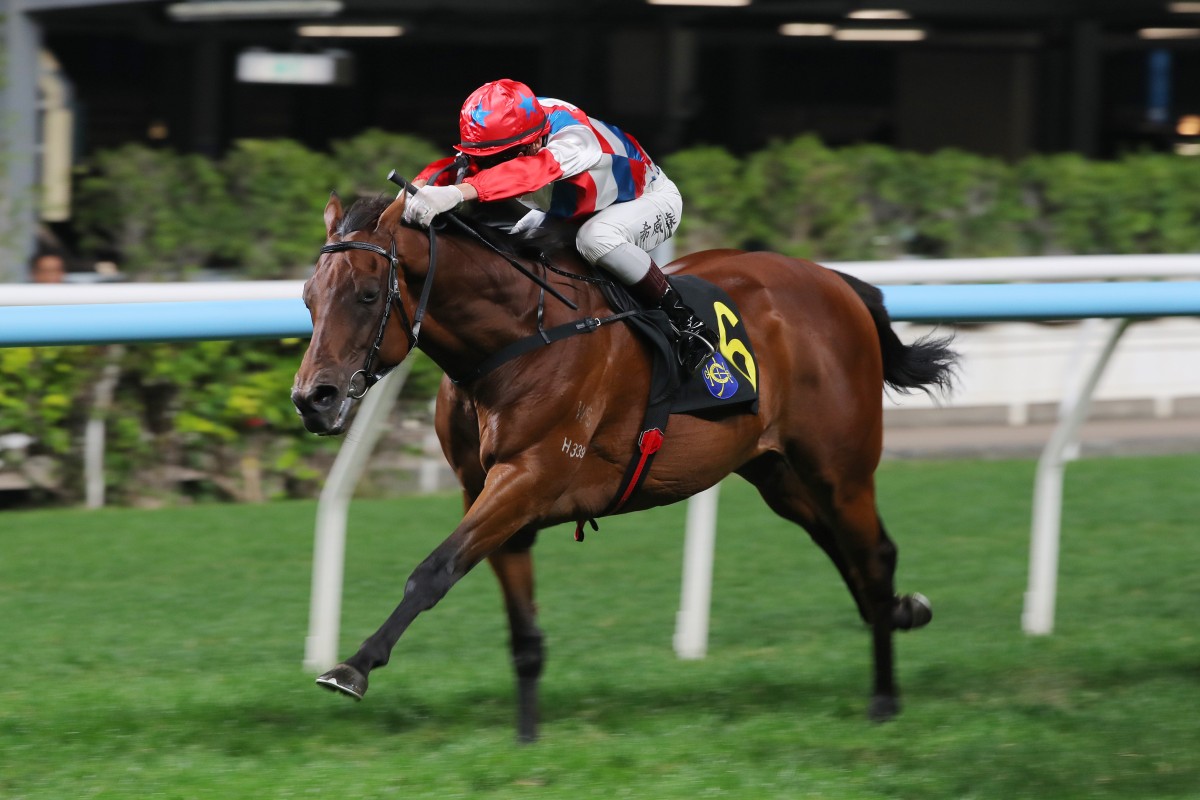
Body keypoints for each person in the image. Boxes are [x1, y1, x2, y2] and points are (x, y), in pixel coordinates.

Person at [404, 78, 717, 373]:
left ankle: (687, 321)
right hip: (573, 208)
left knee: (595, 239)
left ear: (536, 141)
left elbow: (530, 172)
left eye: (502, 158)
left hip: (648, 200)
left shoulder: (573, 140)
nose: (490, 167)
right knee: (519, 240)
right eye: (487, 159)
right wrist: (416, 189)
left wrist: (457, 192)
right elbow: (460, 164)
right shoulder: (511, 128)